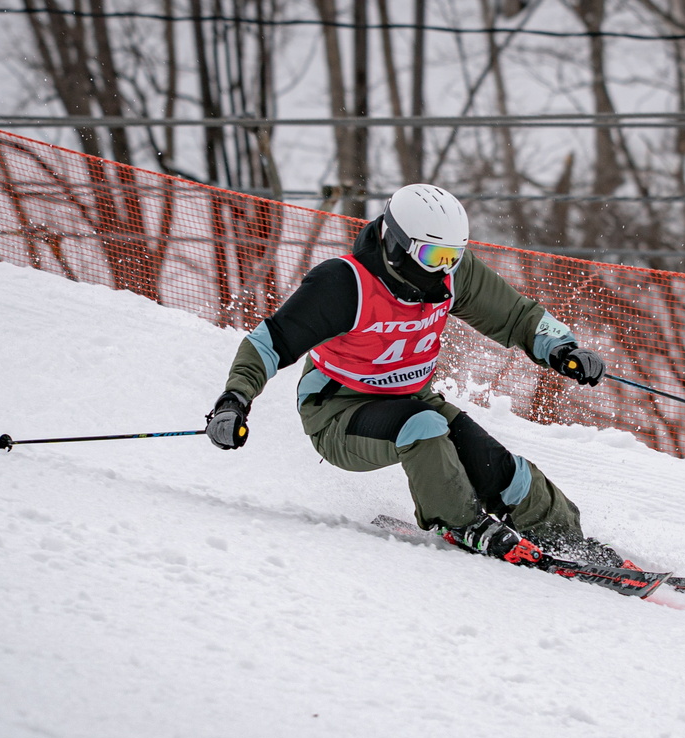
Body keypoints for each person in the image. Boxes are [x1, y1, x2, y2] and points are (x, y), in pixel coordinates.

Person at [206, 183, 619, 568]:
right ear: (396, 243)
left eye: (452, 256)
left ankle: (563, 537)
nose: (443, 269)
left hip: (414, 399)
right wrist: (233, 401)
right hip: (338, 413)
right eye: (432, 256)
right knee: (423, 427)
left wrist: (562, 348)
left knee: (499, 468)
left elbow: (516, 315)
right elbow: (268, 343)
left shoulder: (453, 274)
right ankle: (460, 522)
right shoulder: (344, 285)